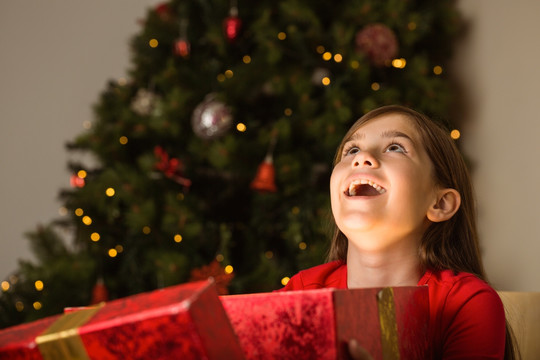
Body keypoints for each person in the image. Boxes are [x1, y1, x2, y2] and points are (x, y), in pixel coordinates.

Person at [280, 105, 517, 359]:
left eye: (395, 147)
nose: (361, 158)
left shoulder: (466, 304)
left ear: (440, 203)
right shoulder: (301, 292)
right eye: (352, 150)